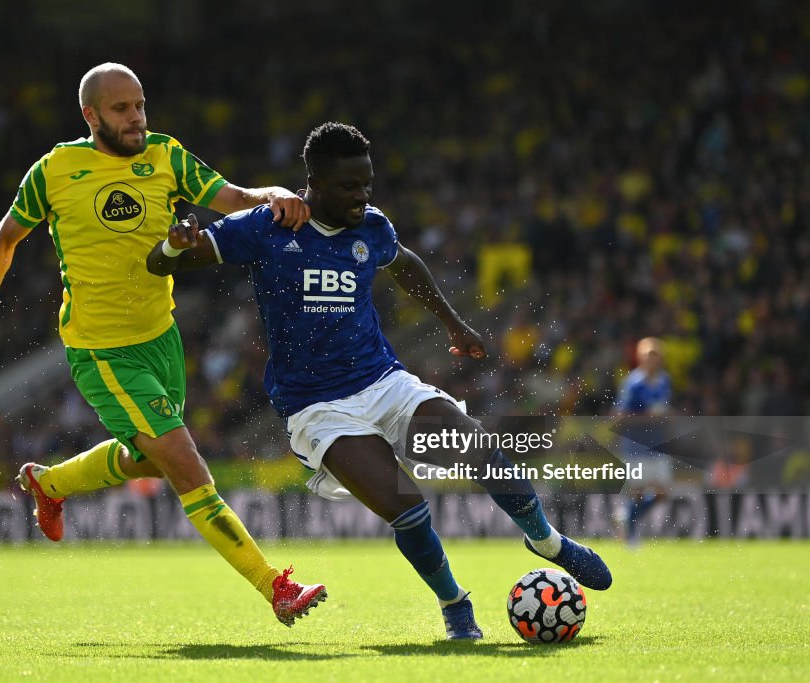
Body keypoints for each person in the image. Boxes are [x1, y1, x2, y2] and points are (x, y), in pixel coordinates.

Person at [146, 122, 612, 640]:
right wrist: (171, 246)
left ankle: (547, 542)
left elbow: (404, 262)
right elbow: (167, 261)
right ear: (314, 185)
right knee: (407, 508)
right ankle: (455, 604)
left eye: (367, 184)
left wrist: (453, 323)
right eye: (349, 186)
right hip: (317, 407)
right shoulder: (266, 227)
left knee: (479, 447)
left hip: (384, 382)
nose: (362, 196)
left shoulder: (371, 227)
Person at [0, 62, 325, 627]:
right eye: (122, 109)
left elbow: (234, 196)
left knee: (143, 456)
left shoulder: (165, 154)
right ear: (91, 114)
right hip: (101, 350)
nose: (136, 118)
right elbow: (0, 244)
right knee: (181, 458)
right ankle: (273, 584)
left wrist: (276, 194)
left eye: (141, 105)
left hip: (161, 337)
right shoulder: (55, 169)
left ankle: (48, 483)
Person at [612, 336, 674, 546]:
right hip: (636, 445)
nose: (653, 359)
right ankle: (629, 534)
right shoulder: (633, 384)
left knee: (663, 492)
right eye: (649, 355)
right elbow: (619, 417)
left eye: (656, 354)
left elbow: (664, 410)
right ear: (640, 357)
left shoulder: (665, 380)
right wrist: (648, 416)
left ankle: (626, 517)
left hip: (658, 444)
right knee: (638, 491)